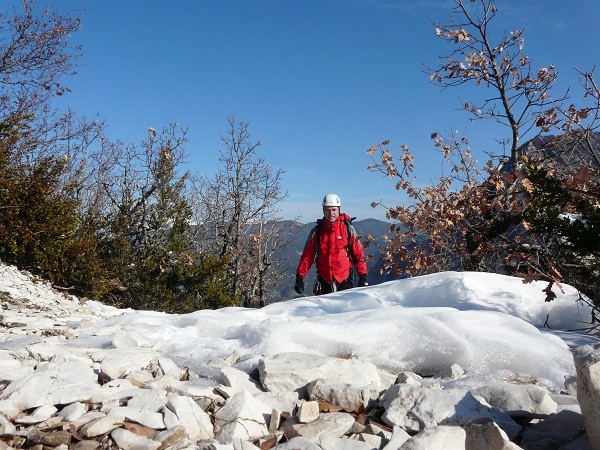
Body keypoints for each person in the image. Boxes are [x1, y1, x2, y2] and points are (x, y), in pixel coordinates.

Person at [295, 194, 368, 295]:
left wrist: (363, 276)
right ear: (323, 211)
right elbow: (307, 257)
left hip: (344, 280)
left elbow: (358, 254)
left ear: (339, 210)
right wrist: (300, 277)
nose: (331, 213)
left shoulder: (347, 229)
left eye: (334, 210)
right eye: (328, 210)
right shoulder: (317, 231)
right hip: (324, 282)